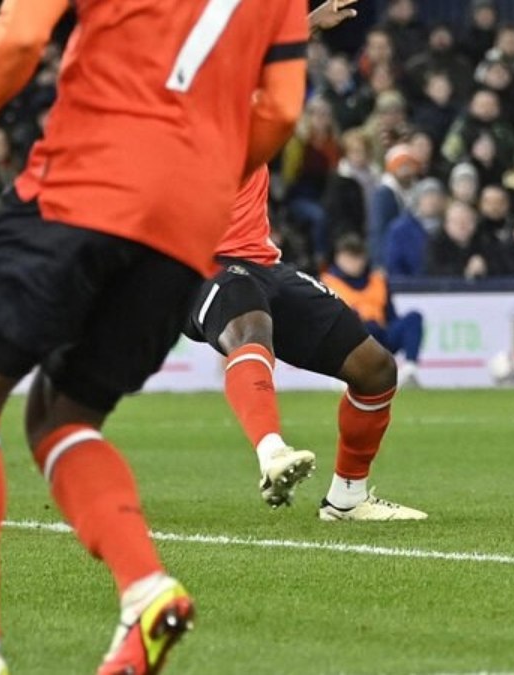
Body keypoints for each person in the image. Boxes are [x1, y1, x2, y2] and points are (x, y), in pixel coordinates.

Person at [0, 0, 307, 673]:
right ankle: (146, 589)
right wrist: (195, 176)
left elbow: (19, 37)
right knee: (62, 416)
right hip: (187, 224)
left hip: (85, 179)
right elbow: (279, 110)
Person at [183, 0, 425, 523]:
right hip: (196, 263)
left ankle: (347, 498)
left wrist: (307, 23)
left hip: (261, 261)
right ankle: (271, 451)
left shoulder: (239, 81)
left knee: (376, 369)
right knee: (250, 328)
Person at [321, 234, 426, 390]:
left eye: (358, 257)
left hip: (380, 335)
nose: (354, 263)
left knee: (413, 318)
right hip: (351, 341)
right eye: (349, 257)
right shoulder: (327, 283)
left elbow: (391, 315)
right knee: (356, 323)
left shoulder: (378, 280)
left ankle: (410, 370)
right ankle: (345, 374)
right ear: (338, 258)